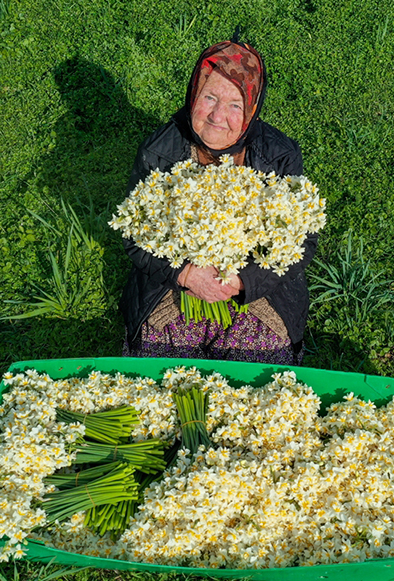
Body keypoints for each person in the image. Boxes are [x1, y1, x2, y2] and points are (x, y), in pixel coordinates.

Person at [119, 38, 318, 365]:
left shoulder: (278, 154)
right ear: (194, 95)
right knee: (166, 376)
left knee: (256, 379)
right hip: (177, 285)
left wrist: (242, 281)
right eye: (209, 97)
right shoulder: (159, 150)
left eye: (235, 105)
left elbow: (301, 240)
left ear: (252, 109)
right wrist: (186, 275)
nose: (217, 115)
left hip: (252, 288)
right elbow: (134, 234)